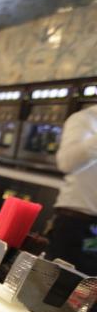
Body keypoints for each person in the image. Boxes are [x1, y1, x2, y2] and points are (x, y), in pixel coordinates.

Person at [45, 104, 97, 277]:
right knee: (56, 286)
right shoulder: (84, 120)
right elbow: (67, 162)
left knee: (89, 295)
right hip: (75, 222)